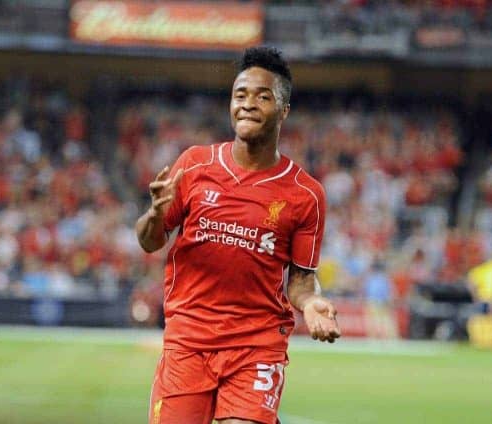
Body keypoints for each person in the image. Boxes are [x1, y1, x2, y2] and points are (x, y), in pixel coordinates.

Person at [136, 46, 341, 424]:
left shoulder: (305, 194)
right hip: (189, 339)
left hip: (256, 344)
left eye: (262, 97)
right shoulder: (195, 165)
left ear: (284, 111)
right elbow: (150, 240)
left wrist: (310, 303)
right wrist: (154, 213)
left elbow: (300, 279)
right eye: (240, 95)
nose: (247, 104)